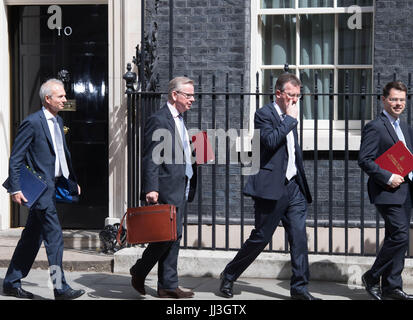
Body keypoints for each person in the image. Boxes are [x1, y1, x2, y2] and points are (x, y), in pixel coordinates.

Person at [219, 73, 320, 300]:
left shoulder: (290, 114)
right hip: (271, 188)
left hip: (294, 186)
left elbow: (291, 150)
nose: (295, 100)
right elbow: (270, 142)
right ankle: (230, 273)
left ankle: (300, 289)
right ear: (278, 93)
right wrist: (289, 120)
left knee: (299, 237)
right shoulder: (263, 115)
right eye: (291, 95)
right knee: (261, 237)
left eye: (298, 96)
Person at [2, 78, 85, 300]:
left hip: (55, 185)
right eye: (61, 96)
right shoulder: (32, 122)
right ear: (47, 99)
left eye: (65, 96)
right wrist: (16, 189)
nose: (65, 100)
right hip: (39, 191)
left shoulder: (58, 122)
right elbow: (16, 158)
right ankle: (60, 288)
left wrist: (70, 180)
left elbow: (60, 155)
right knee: (55, 237)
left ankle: (11, 282)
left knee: (31, 238)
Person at [129, 76, 197, 299]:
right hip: (166, 185)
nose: (192, 99)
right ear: (175, 95)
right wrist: (151, 187)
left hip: (182, 184)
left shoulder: (180, 119)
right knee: (166, 236)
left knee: (174, 236)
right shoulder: (159, 119)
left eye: (193, 95)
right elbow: (151, 156)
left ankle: (167, 285)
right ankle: (139, 270)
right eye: (188, 95)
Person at [358, 81, 413, 300]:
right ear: (383, 100)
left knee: (397, 236)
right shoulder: (376, 126)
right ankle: (372, 277)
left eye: (401, 99)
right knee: (400, 235)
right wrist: (387, 176)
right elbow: (364, 159)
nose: (398, 103)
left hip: (407, 190)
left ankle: (392, 287)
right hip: (387, 191)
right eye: (393, 99)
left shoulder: (406, 127)